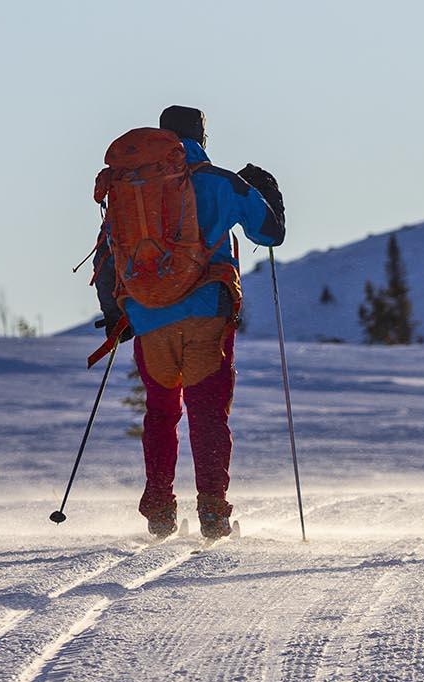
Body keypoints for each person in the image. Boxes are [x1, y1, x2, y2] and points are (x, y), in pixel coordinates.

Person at [93, 105, 285, 539]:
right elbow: (270, 234)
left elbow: (108, 253)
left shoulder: (129, 186)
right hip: (206, 313)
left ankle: (160, 509)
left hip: (147, 314)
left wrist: (115, 313)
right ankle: (213, 513)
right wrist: (266, 189)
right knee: (207, 411)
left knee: (161, 411)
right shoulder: (219, 181)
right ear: (201, 135)